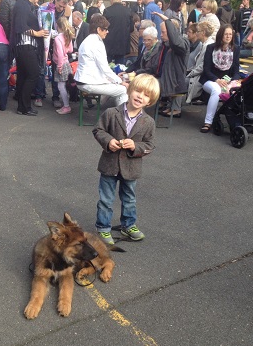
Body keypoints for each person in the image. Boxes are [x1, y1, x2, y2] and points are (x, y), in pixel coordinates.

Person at [92, 73, 160, 245]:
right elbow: (98, 130)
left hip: (131, 168)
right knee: (106, 199)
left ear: (149, 102)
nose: (140, 96)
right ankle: (103, 229)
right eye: (138, 91)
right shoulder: (111, 113)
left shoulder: (148, 122)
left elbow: (150, 145)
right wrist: (109, 141)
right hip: (109, 165)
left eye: (146, 95)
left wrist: (135, 146)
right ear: (130, 90)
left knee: (129, 198)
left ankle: (128, 225)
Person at [74, 15, 129, 107]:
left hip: (83, 80)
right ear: (99, 29)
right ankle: (123, 118)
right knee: (123, 89)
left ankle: (104, 106)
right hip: (88, 83)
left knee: (116, 85)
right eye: (106, 29)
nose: (107, 32)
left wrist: (114, 78)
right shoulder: (97, 43)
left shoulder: (87, 40)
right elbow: (104, 68)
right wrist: (120, 81)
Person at [11, 0, 48, 116]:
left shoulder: (21, 4)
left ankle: (22, 105)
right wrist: (37, 33)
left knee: (24, 75)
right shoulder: (22, 5)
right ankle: (24, 106)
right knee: (33, 74)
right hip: (26, 45)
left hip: (23, 45)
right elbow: (20, 25)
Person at [198, 24, 240, 133]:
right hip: (210, 80)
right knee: (216, 90)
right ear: (221, 35)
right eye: (226, 34)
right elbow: (206, 70)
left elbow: (236, 70)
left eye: (230, 34)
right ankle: (208, 122)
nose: (228, 36)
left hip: (227, 81)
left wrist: (232, 81)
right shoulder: (211, 48)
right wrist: (217, 80)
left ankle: (236, 123)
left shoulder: (236, 49)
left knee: (239, 90)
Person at [155, 17, 189, 118]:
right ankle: (172, 107)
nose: (161, 35)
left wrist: (167, 21)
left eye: (164, 32)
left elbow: (175, 42)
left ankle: (175, 108)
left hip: (175, 83)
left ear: (171, 31)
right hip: (167, 79)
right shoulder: (165, 45)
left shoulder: (182, 44)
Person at [185, 21, 215, 104]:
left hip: (202, 77)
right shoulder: (204, 44)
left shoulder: (208, 46)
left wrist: (190, 73)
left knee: (180, 82)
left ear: (203, 33)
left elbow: (202, 66)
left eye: (198, 31)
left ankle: (176, 108)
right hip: (199, 74)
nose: (196, 33)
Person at [103, 0, 133, 64]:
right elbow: (131, 28)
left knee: (108, 66)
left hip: (109, 44)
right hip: (122, 43)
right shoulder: (128, 11)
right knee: (120, 67)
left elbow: (103, 27)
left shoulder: (107, 11)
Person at [53, 17, 74, 114]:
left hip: (60, 63)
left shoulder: (57, 38)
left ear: (58, 26)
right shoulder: (67, 36)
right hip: (67, 63)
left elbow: (60, 54)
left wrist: (59, 67)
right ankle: (68, 103)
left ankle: (66, 106)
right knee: (67, 84)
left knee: (61, 86)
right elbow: (70, 50)